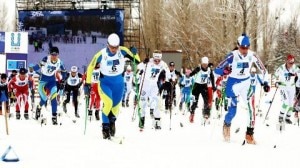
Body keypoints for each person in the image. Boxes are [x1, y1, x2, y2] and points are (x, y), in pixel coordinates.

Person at [214, 34, 270, 144]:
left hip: (246, 83)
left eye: (247, 47)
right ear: (238, 46)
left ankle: (249, 134)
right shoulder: (232, 56)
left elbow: (264, 71)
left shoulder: (252, 55)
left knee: (251, 109)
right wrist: (224, 71)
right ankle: (226, 124)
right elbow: (216, 71)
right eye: (242, 48)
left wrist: (265, 83)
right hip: (233, 85)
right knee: (232, 112)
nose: (244, 50)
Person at [85, 33, 140, 139]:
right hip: (105, 83)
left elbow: (137, 60)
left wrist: (135, 52)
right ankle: (105, 127)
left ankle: (112, 123)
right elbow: (91, 67)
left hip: (119, 83)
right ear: (107, 45)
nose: (114, 50)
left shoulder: (123, 51)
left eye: (116, 47)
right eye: (112, 47)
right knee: (108, 103)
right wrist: (87, 83)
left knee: (115, 108)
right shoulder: (101, 54)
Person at [30, 46, 67, 125]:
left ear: (58, 55)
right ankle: (38, 108)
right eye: (52, 54)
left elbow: (64, 72)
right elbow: (38, 66)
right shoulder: (46, 59)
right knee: (44, 98)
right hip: (43, 82)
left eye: (55, 54)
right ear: (50, 54)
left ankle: (54, 117)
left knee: (54, 97)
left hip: (52, 81)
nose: (53, 56)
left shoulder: (60, 62)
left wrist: (63, 80)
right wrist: (32, 69)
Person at [138, 50, 170, 130]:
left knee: (157, 102)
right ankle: (142, 120)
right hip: (145, 84)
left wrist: (170, 79)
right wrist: (143, 62)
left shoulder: (163, 64)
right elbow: (138, 67)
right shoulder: (149, 62)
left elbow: (168, 73)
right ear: (153, 57)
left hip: (154, 85)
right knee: (142, 103)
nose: (157, 61)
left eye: (158, 60)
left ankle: (157, 121)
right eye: (155, 60)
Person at [274, 54, 299, 124]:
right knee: (286, 102)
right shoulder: (281, 68)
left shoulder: (295, 67)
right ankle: (281, 116)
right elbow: (274, 76)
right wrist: (276, 82)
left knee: (291, 104)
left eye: (292, 63)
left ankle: (288, 117)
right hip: (283, 87)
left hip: (291, 87)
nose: (291, 64)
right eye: (290, 63)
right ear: (286, 61)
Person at [189, 56, 216, 122]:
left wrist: (213, 86)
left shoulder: (209, 69)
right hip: (197, 86)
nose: (204, 66)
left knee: (206, 100)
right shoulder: (199, 68)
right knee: (195, 101)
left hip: (204, 85)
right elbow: (190, 75)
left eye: (206, 64)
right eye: (203, 64)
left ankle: (206, 113)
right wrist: (195, 71)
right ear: (201, 63)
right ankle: (192, 114)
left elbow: (212, 77)